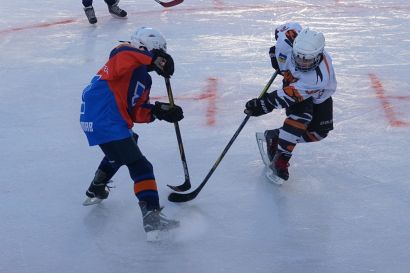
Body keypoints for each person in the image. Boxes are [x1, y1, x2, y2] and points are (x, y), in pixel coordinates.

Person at [80, 27, 182, 240]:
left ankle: (96, 187)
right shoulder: (123, 54)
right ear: (147, 49)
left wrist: (160, 111)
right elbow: (126, 54)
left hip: (102, 118)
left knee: (125, 147)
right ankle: (152, 217)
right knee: (141, 166)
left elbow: (136, 112)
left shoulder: (144, 78)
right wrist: (153, 59)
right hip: (105, 116)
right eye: (158, 53)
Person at [245, 26, 337, 181]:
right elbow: (280, 31)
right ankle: (282, 159)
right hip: (294, 82)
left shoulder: (317, 78)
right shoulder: (288, 40)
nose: (301, 63)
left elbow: (288, 96)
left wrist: (263, 104)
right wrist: (275, 53)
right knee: (301, 117)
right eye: (298, 57)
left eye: (307, 60)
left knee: (318, 133)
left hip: (317, 93)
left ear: (318, 55)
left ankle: (275, 137)